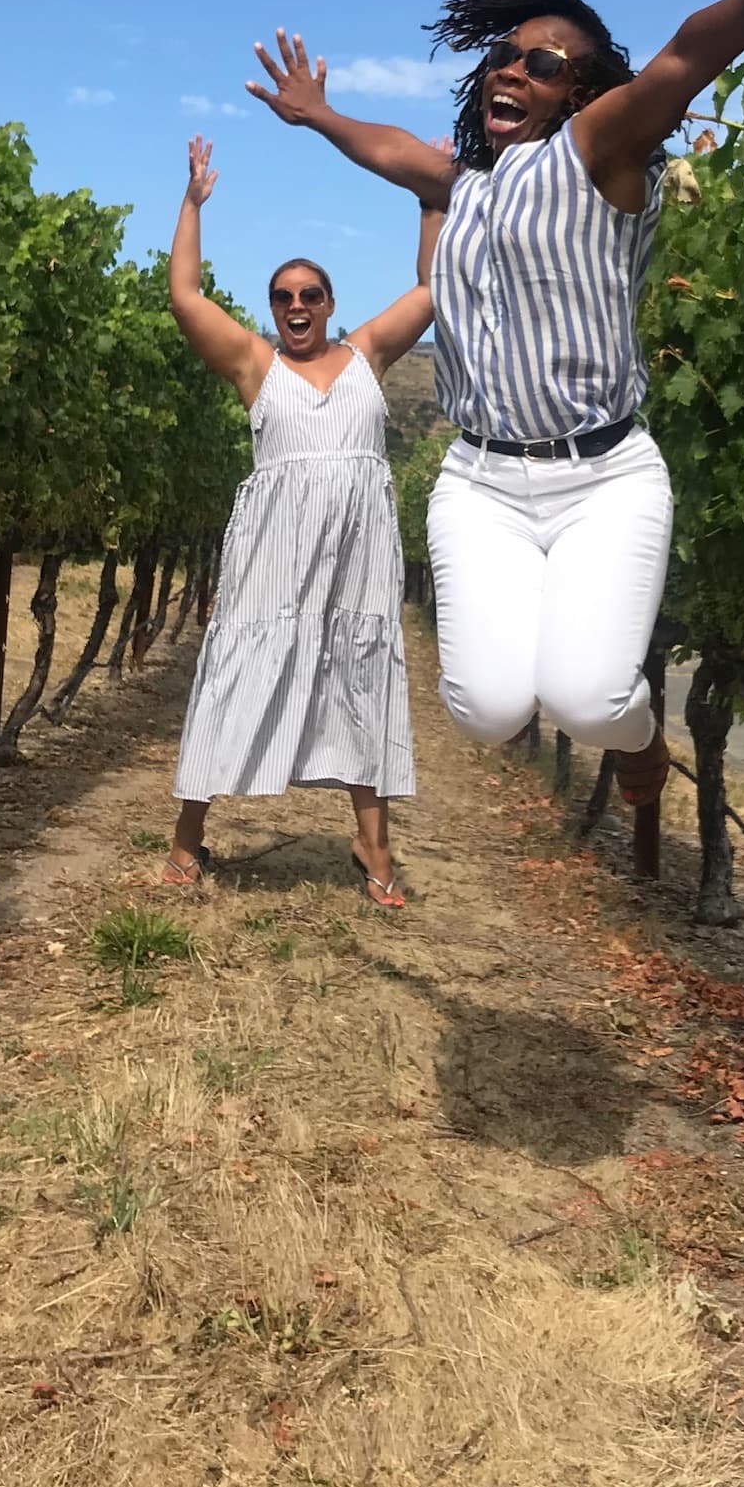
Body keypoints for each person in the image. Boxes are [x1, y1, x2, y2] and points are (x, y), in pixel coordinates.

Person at [245, 0, 744, 807]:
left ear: (581, 92)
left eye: (543, 61)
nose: (510, 69)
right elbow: (393, 150)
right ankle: (608, 720)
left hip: (603, 474)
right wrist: (319, 115)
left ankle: (637, 741)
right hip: (479, 477)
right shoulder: (465, 188)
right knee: (483, 709)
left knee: (593, 699)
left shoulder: (600, 151)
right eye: (503, 57)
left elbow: (682, 57)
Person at [163, 134, 443, 908]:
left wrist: (429, 194)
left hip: (357, 552)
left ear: (329, 304)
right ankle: (188, 836)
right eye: (282, 296)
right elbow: (185, 295)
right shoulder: (256, 366)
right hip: (273, 554)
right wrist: (192, 203)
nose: (294, 307)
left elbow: (432, 283)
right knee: (235, 668)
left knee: (357, 672)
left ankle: (371, 842)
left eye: (309, 295)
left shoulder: (368, 356)